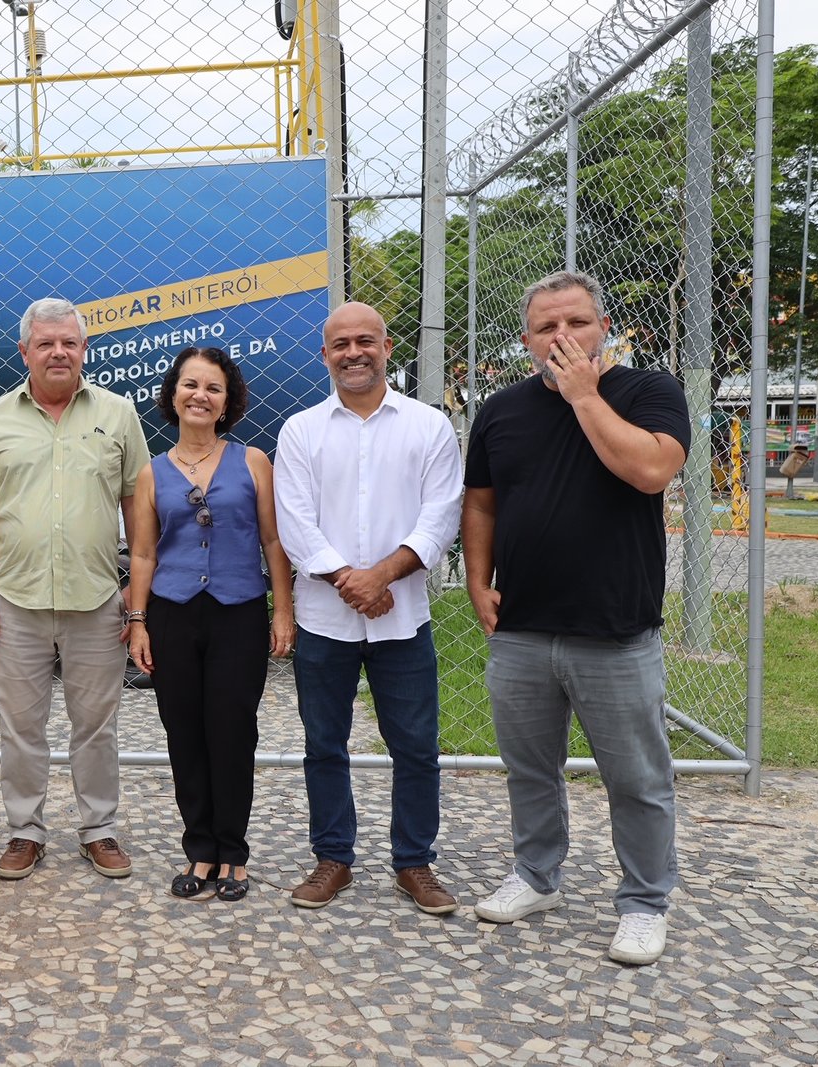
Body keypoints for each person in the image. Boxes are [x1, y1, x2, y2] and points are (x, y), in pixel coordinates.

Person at [463, 270, 689, 965]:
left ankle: (645, 901)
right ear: (526, 339)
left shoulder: (650, 392)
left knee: (637, 777)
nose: (561, 337)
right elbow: (481, 502)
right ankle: (536, 876)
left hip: (615, 630)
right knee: (530, 767)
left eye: (576, 323)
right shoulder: (500, 410)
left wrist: (584, 395)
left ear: (603, 326)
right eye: (545, 327)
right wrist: (476, 581)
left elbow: (651, 471)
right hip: (523, 628)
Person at [274, 301, 463, 915]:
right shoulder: (300, 431)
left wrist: (381, 576)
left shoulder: (428, 427)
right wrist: (350, 581)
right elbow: (294, 523)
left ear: (387, 347)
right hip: (323, 620)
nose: (353, 353)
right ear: (324, 354)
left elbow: (441, 516)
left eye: (365, 341)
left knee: (415, 745)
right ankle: (333, 858)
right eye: (340, 344)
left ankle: (415, 863)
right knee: (323, 742)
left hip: (402, 616)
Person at [0, 297, 149, 881]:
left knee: (96, 723)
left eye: (69, 342)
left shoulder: (118, 415)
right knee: (20, 725)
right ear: (26, 351)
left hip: (96, 600)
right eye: (46, 343)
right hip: (16, 599)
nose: (58, 352)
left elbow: (138, 509)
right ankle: (24, 831)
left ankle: (99, 829)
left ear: (84, 349)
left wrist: (137, 604)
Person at [125, 347, 294, 902]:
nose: (200, 395)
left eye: (213, 388)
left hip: (238, 612)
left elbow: (272, 542)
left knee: (233, 730)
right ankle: (199, 849)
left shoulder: (253, 463)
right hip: (172, 614)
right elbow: (144, 555)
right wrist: (139, 622)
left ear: (227, 402)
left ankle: (233, 854)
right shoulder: (151, 473)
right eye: (190, 385)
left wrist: (283, 610)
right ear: (173, 395)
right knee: (184, 732)